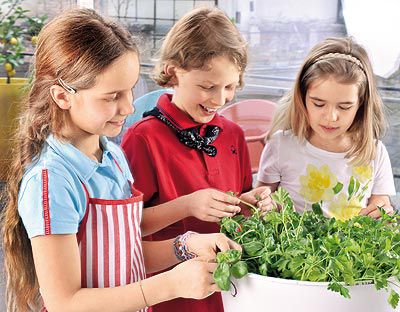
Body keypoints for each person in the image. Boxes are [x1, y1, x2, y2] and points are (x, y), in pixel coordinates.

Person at [0, 8, 242, 312]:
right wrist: (168, 285)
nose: (129, 107)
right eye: (112, 96)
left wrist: (185, 245)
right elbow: (65, 302)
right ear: (62, 97)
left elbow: (122, 247)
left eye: (130, 91)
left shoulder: (111, 154)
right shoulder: (51, 183)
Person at [121, 7, 272, 312]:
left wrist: (251, 204)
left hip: (230, 292)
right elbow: (127, 229)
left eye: (230, 87)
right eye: (207, 86)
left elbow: (237, 213)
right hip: (169, 296)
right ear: (174, 71)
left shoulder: (232, 135)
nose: (219, 100)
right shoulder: (143, 138)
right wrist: (188, 205)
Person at [256, 37, 396, 220]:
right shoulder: (281, 145)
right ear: (302, 98)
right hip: (291, 246)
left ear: (361, 104)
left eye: (344, 107)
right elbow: (259, 203)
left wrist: (383, 212)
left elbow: (381, 205)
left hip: (350, 248)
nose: (330, 117)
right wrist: (264, 205)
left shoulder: (375, 152)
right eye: (319, 104)